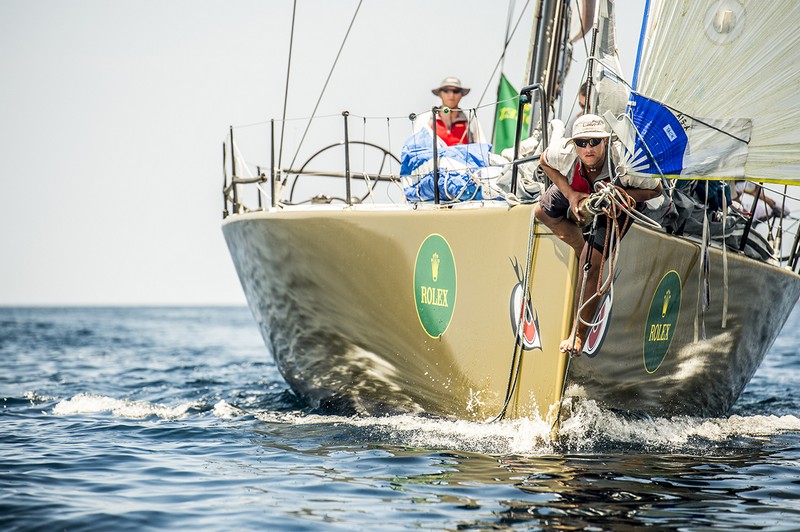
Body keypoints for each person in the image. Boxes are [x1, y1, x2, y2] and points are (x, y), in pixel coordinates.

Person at [534, 114, 662, 354]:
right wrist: (571, 195)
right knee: (542, 212)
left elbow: (656, 189)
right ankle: (581, 247)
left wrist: (621, 194)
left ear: (606, 141)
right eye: (581, 143)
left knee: (591, 265)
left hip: (620, 198)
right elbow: (544, 162)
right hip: (579, 189)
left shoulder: (625, 163)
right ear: (574, 145)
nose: (588, 148)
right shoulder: (565, 155)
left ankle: (578, 336)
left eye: (594, 141)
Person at [429, 77, 486, 146]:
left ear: (461, 95)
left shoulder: (470, 119)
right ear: (440, 94)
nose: (451, 95)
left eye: (456, 91)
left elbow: (482, 147)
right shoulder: (427, 119)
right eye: (446, 91)